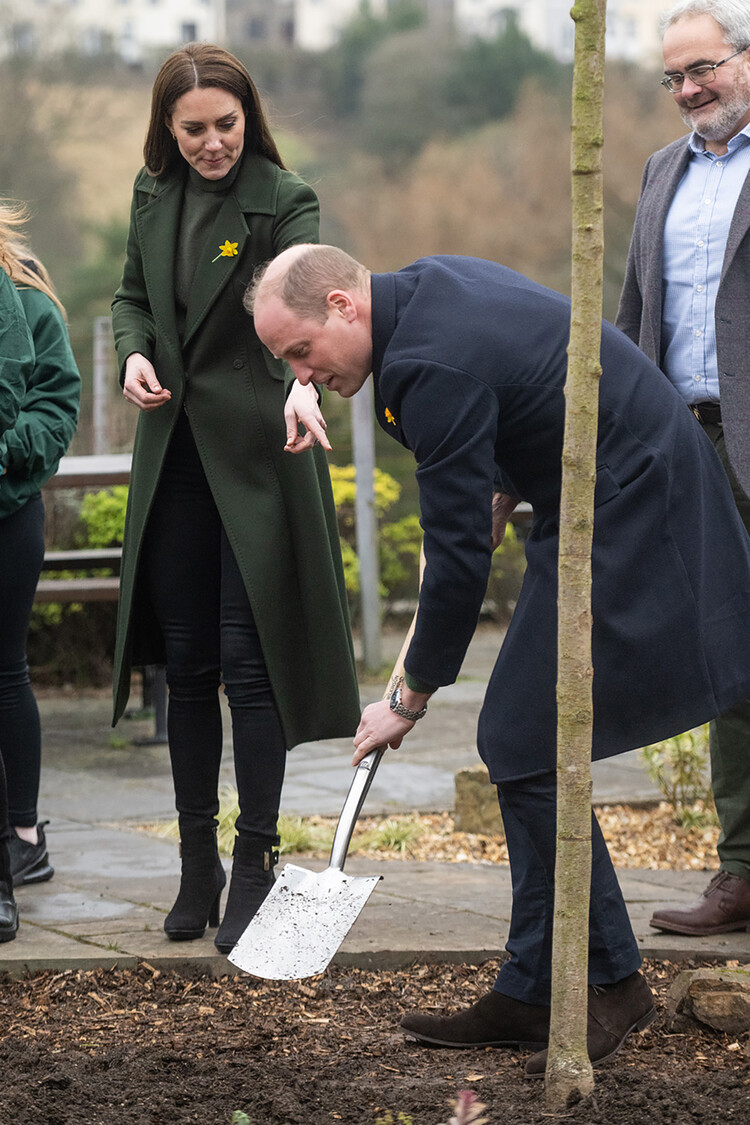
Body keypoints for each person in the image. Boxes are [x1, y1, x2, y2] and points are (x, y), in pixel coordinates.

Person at [249, 243, 750, 1072]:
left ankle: (605, 982)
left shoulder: (425, 367)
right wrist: (501, 483)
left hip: (632, 500)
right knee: (525, 742)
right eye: (285, 365)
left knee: (523, 738)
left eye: (299, 353)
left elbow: (454, 564)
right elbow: (528, 382)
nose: (301, 376)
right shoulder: (428, 286)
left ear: (342, 305)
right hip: (588, 489)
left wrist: (407, 698)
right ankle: (539, 983)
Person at [111, 44, 361, 955]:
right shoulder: (151, 195)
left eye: (226, 124)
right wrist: (133, 350)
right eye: (194, 129)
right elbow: (131, 298)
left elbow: (298, 314)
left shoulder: (284, 199)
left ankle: (255, 859)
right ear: (166, 129)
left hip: (260, 450)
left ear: (247, 116)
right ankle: (196, 863)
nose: (213, 143)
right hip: (173, 451)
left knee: (247, 667)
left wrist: (303, 385)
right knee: (185, 667)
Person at [616, 0, 750, 937]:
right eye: (674, 77)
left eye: (704, 67)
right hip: (691, 447)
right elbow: (634, 323)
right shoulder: (661, 173)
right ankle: (741, 872)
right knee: (729, 663)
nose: (690, 89)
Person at [0, 248, 36, 942]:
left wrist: (9, 453)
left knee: (5, 671)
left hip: (9, 509)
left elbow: (55, 400)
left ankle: (22, 832)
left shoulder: (25, 301)